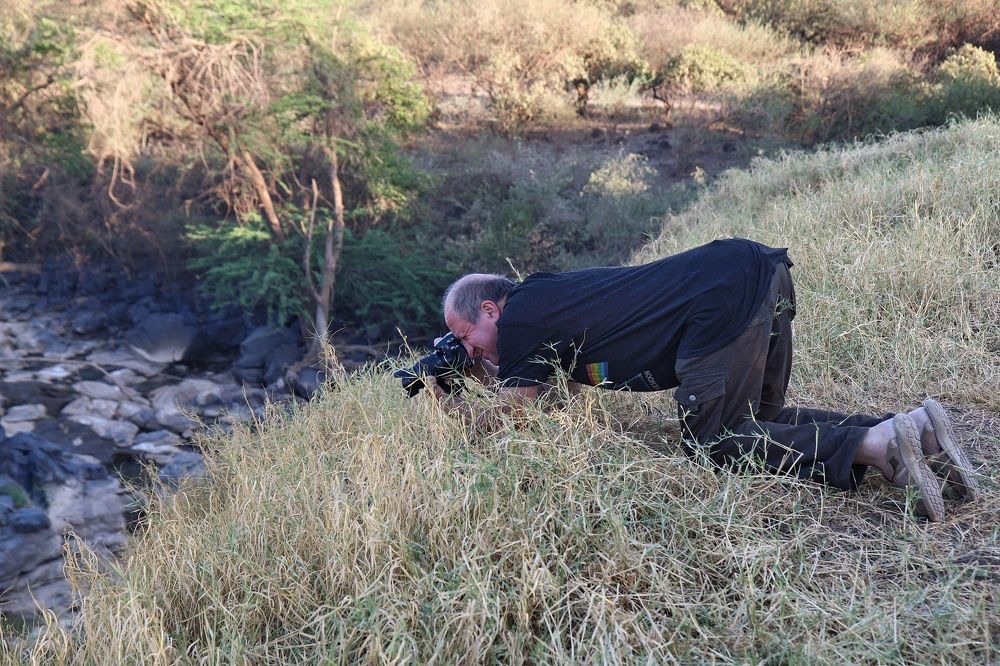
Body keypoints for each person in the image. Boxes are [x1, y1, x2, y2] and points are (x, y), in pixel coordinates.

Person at [437, 238, 979, 521]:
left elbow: (511, 415)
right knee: (755, 423)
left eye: (465, 338)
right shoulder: (546, 301)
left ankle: (879, 445)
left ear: (490, 310)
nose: (470, 351)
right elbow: (562, 392)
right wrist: (491, 371)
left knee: (714, 442)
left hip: (720, 303)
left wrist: (449, 407)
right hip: (757, 274)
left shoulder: (523, 317)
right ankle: (914, 429)